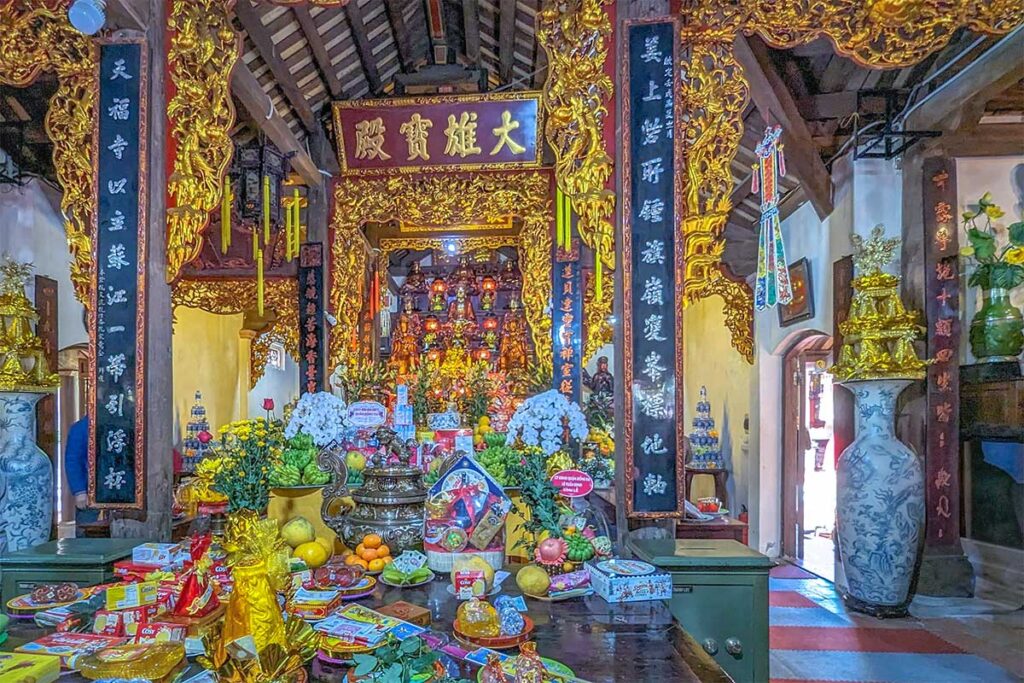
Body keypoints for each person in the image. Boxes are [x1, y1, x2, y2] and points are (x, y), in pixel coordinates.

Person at [65, 416, 99, 532]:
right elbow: (73, 459)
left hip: (122, 492)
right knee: (87, 537)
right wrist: (79, 491)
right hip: (90, 492)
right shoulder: (82, 427)